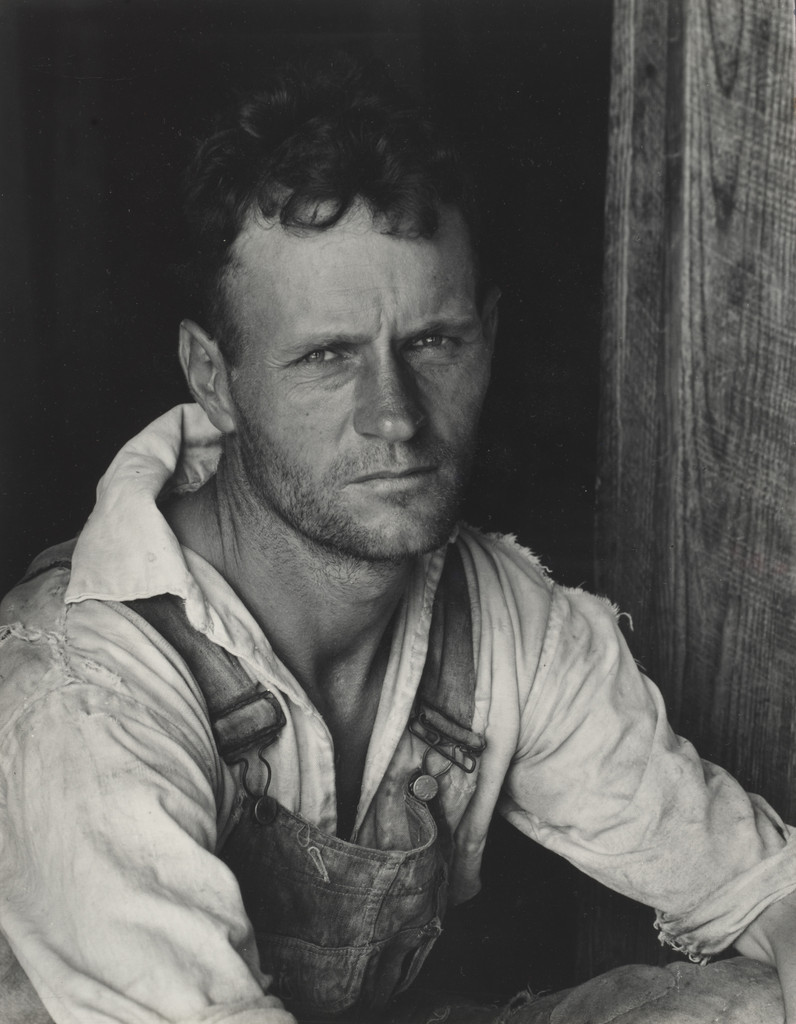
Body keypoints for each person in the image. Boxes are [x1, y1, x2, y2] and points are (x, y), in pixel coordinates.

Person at [0, 58, 795, 1024]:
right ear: (213, 375)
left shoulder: (501, 619)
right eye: (327, 358)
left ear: (488, 338)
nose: (395, 418)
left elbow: (762, 889)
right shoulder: (82, 687)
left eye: (432, 343)